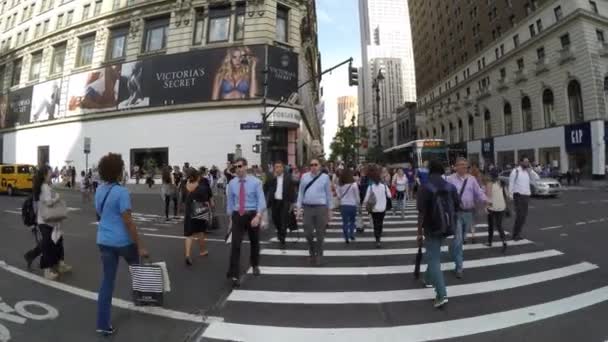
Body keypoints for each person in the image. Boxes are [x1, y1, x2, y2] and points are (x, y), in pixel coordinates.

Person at [95, 153, 148, 336]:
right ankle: (141, 297)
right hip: (123, 241)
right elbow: (128, 222)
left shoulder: (100, 190)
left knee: (107, 282)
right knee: (136, 265)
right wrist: (140, 244)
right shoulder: (122, 192)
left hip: (104, 240)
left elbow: (100, 214)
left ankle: (103, 324)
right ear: (119, 172)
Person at [416, 160, 459, 308]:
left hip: (431, 228)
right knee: (434, 254)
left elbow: (421, 212)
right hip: (447, 227)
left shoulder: (425, 187)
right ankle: (428, 280)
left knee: (433, 258)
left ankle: (441, 294)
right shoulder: (450, 187)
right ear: (442, 172)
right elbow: (458, 205)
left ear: (429, 171)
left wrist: (419, 232)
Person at [226, 158, 266, 288]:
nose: (237, 169)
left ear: (245, 167)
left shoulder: (256, 182)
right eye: (235, 167)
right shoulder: (232, 183)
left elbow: (261, 200)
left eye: (240, 166)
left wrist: (258, 216)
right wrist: (230, 220)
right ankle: (234, 274)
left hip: (252, 214)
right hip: (238, 215)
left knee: (254, 242)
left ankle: (255, 265)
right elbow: (231, 202)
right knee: (235, 245)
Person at [447, 157, 487, 279]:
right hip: (456, 213)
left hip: (469, 213)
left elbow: (478, 193)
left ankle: (452, 248)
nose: (464, 167)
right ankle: (459, 267)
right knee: (459, 240)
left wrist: (486, 201)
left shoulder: (472, 179)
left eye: (465, 165)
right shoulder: (449, 179)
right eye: (461, 165)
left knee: (462, 238)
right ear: (455, 166)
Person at [296, 159, 332, 265]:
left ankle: (319, 254)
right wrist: (298, 208)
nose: (313, 166)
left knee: (320, 234)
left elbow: (329, 195)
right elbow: (300, 193)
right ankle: (312, 251)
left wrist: (330, 210)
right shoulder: (304, 176)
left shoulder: (325, 178)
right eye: (311, 165)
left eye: (316, 165)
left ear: (319, 166)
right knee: (308, 233)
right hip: (307, 208)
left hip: (321, 208)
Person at [183, 168, 213, 265]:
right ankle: (203, 250)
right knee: (200, 232)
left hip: (188, 212)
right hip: (199, 211)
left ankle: (187, 255)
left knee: (189, 235)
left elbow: (183, 198)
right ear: (197, 176)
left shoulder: (185, 185)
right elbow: (205, 200)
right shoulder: (201, 187)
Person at [265, 161, 296, 249]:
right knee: (275, 219)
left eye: (279, 167)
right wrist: (273, 178)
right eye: (276, 167)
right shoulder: (271, 177)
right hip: (274, 201)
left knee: (283, 221)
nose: (277, 169)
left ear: (283, 168)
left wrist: (292, 203)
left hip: (284, 202)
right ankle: (279, 231)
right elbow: (266, 187)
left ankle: (282, 236)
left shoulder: (288, 177)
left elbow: (292, 191)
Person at [508, 156, 539, 241]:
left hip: (526, 196)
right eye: (525, 162)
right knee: (520, 216)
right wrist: (510, 196)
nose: (527, 163)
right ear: (520, 162)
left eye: (528, 162)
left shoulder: (528, 172)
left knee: (524, 216)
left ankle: (518, 233)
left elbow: (537, 178)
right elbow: (511, 183)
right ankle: (515, 234)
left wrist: (531, 171)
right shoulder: (516, 171)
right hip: (518, 196)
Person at [363, 165, 391, 248]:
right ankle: (379, 237)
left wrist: (364, 204)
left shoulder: (370, 187)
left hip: (374, 209)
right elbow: (389, 196)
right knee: (380, 223)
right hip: (382, 208)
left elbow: (366, 199)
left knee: (375, 224)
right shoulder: (384, 186)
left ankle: (377, 239)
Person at [485, 169, 508, 252]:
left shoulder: (489, 184)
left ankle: (489, 242)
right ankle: (504, 241)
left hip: (492, 208)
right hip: (502, 207)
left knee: (491, 226)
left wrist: (486, 207)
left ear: (491, 176)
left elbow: (488, 197)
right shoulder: (502, 183)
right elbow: (507, 194)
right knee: (499, 225)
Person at [337, 168, 360, 243]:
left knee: (345, 222)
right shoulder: (354, 184)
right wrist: (358, 203)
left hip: (344, 205)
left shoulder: (340, 185)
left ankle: (346, 236)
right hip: (352, 205)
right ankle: (351, 235)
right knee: (352, 221)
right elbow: (357, 196)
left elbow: (338, 196)